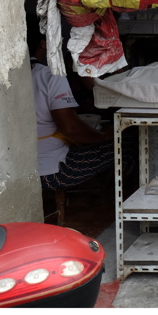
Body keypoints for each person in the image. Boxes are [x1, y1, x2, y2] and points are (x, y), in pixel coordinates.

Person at [29, 18, 130, 192]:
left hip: (12, 170)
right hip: (50, 171)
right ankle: (108, 203)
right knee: (127, 146)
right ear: (44, 44)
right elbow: (71, 128)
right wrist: (103, 137)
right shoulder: (50, 76)